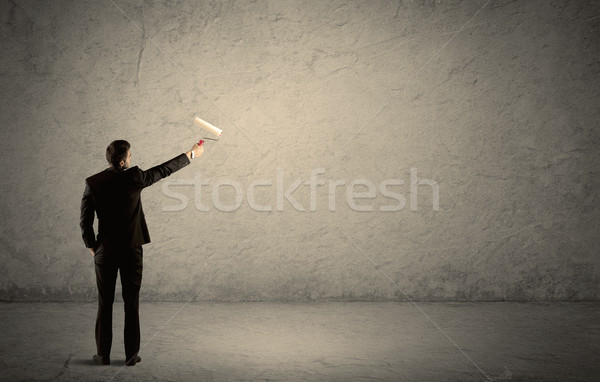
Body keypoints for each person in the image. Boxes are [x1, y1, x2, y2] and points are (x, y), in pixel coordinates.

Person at [80, 139, 203, 366]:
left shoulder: (93, 182)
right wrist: (191, 154)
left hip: (105, 251)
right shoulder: (135, 178)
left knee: (104, 303)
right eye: (129, 156)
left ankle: (103, 355)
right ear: (122, 162)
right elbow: (163, 170)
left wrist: (92, 246)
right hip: (131, 251)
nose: (131, 159)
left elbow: (85, 220)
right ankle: (130, 356)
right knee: (131, 302)